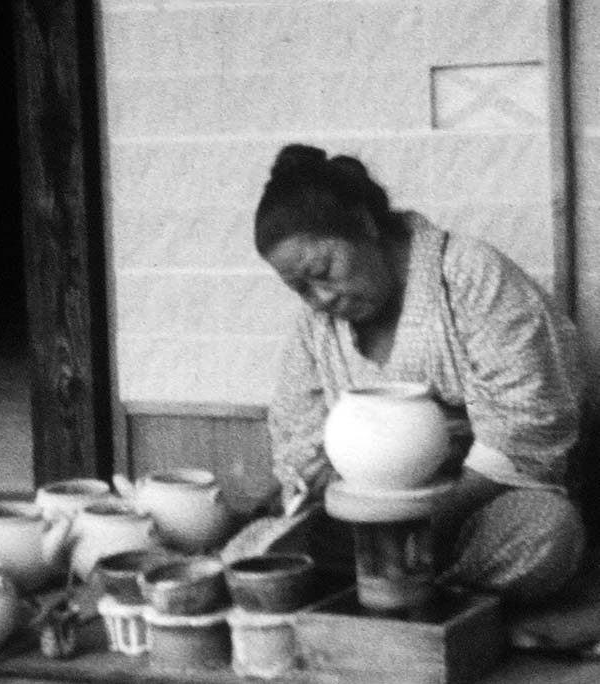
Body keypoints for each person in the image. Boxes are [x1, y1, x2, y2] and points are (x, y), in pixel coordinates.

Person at [248, 143, 586, 602]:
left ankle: (396, 588)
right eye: (300, 289)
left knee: (547, 530)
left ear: (364, 223)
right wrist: (331, 500)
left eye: (323, 271)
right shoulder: (317, 327)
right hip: (373, 524)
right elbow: (299, 437)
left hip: (476, 504)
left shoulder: (468, 274)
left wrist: (432, 521)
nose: (321, 298)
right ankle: (424, 590)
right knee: (269, 545)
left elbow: (525, 422)